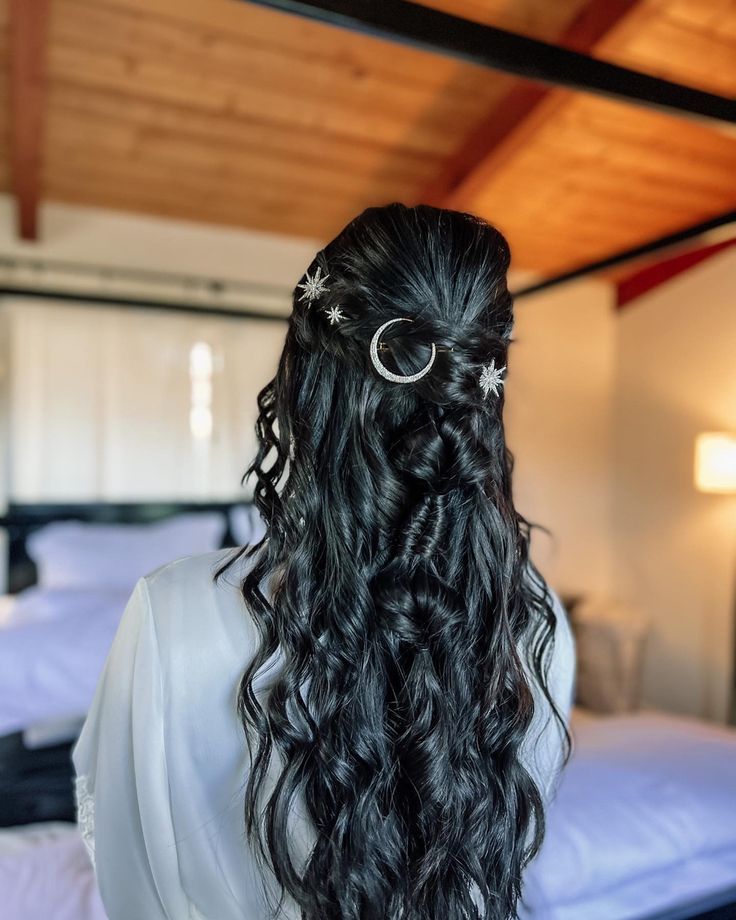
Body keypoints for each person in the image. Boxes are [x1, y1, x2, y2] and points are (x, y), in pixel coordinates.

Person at [72, 203, 575, 920]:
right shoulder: (535, 616)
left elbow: (121, 851)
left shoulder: (170, 609)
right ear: (480, 393)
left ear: (310, 389)